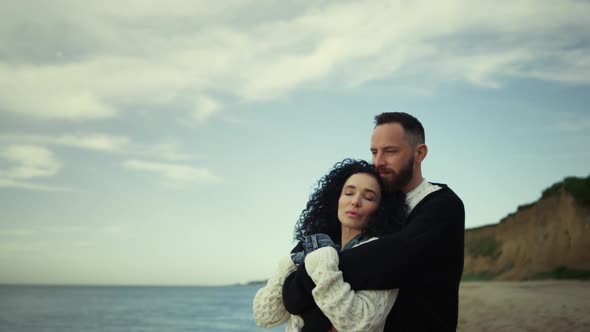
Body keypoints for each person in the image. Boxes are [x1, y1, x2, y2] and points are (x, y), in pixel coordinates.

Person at [282, 112, 465, 331]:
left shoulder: (442, 205)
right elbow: (298, 267)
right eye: (374, 152)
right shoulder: (374, 205)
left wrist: (304, 278)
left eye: (390, 151)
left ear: (420, 153)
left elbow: (393, 258)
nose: (378, 162)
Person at [253, 159, 407, 331]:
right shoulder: (310, 247)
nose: (355, 201)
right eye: (349, 193)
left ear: (381, 208)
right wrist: (288, 265)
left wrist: (322, 262)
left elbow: (359, 324)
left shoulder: (382, 254)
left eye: (369, 197)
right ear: (336, 199)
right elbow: (265, 317)